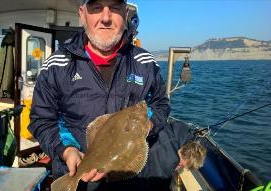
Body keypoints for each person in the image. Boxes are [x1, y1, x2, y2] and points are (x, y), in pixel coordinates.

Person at [28, 0, 170, 190]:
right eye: (96, 8)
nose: (105, 18)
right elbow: (42, 120)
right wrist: (67, 150)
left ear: (125, 13)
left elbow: (160, 105)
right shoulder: (56, 65)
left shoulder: (145, 62)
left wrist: (147, 125)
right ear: (82, 13)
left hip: (130, 180)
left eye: (114, 8)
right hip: (75, 176)